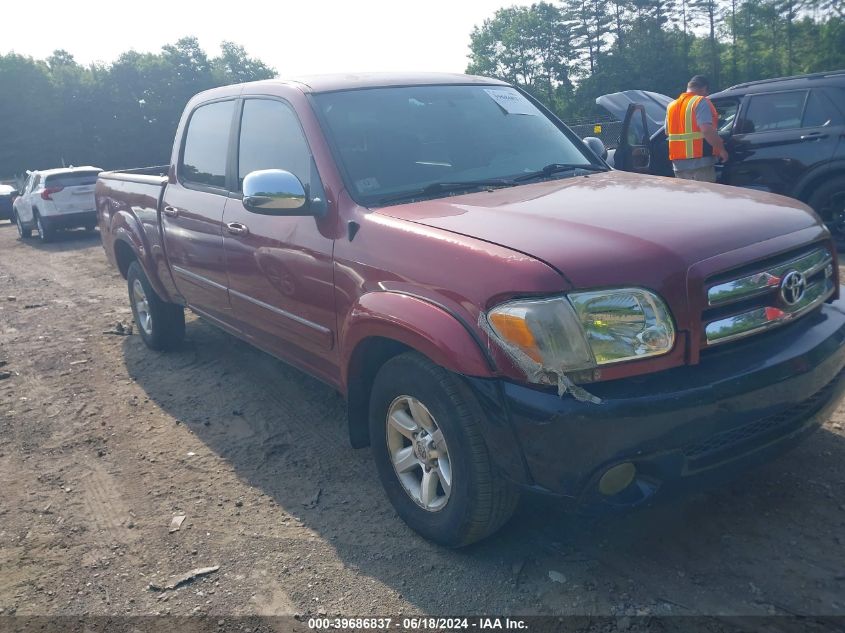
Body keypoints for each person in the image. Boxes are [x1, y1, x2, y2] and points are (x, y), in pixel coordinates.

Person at [665, 75, 729, 182]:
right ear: (704, 89)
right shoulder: (700, 101)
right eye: (706, 93)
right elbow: (706, 129)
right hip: (700, 163)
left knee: (687, 197)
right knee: (704, 196)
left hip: (679, 165)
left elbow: (667, 132)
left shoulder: (671, 105)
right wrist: (721, 150)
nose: (706, 95)